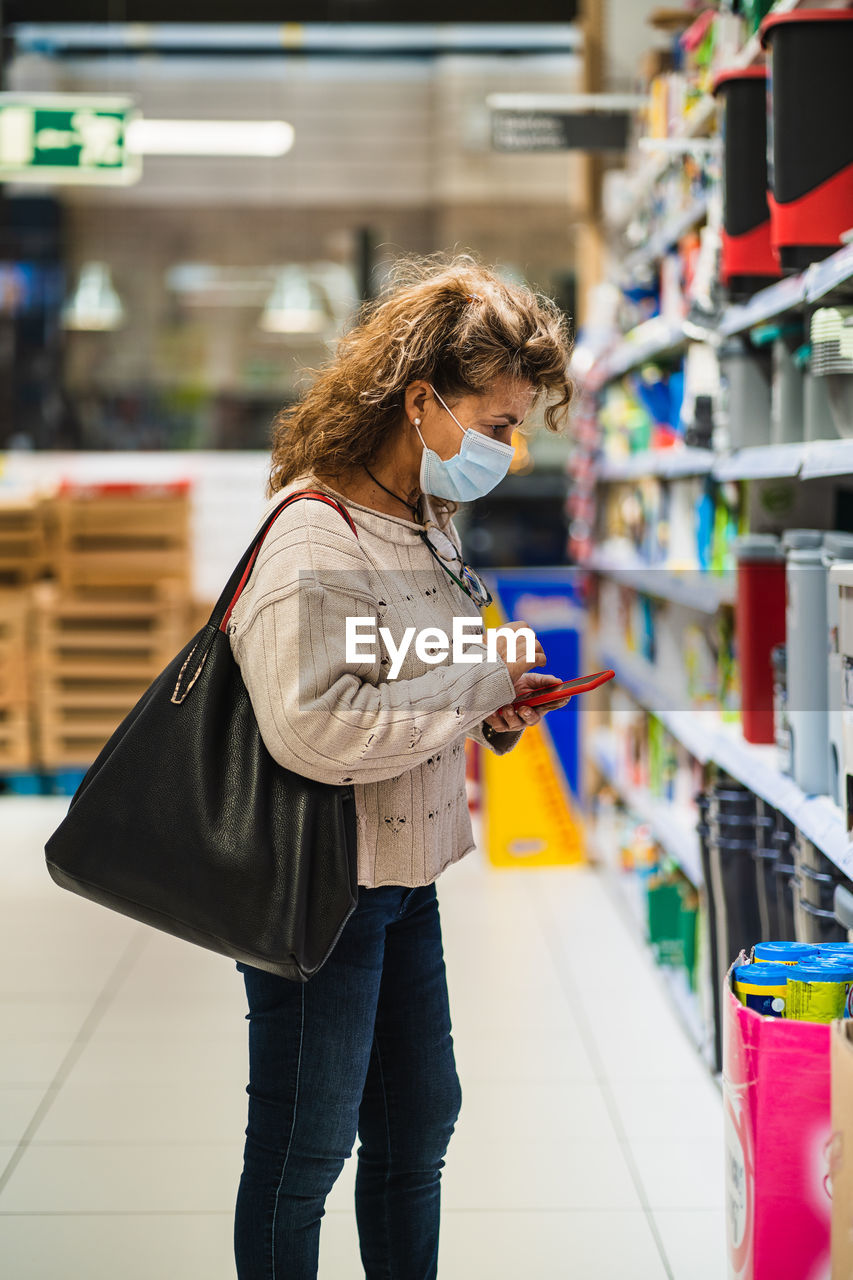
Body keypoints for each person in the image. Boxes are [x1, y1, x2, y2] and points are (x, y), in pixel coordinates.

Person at [227, 254, 573, 1279]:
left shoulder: (423, 519)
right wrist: (472, 688)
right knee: (304, 1151)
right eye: (501, 422)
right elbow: (314, 728)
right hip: (325, 892)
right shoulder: (310, 538)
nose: (509, 449)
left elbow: (415, 675)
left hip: (404, 876)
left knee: (419, 1123)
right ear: (422, 400)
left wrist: (491, 699)